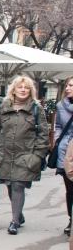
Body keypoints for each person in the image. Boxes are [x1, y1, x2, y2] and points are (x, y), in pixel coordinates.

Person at [0, 75, 49, 235]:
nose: (23, 90)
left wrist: (37, 156)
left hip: (25, 155)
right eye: (20, 87)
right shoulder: (3, 107)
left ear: (30, 91)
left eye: (26, 87)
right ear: (13, 89)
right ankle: (19, 215)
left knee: (18, 186)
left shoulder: (36, 108)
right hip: (4, 155)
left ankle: (14, 222)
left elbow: (43, 134)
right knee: (9, 185)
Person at [54, 76, 73, 237]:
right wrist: (57, 141)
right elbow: (58, 126)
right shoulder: (61, 106)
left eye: (71, 86)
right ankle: (71, 219)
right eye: (67, 85)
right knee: (69, 189)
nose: (68, 88)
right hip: (66, 152)